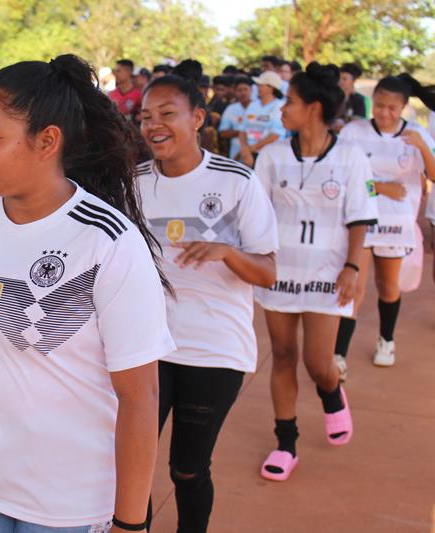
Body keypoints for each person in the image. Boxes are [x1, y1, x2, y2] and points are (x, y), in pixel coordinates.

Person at [0, 54, 176, 533]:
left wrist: (129, 523)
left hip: (70, 500)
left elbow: (139, 395)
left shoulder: (106, 241)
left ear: (47, 141)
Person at [138, 67, 278, 532]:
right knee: (128, 463)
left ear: (197, 117)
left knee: (187, 468)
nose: (153, 125)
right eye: (145, 117)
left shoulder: (237, 182)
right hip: (145, 347)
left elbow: (268, 273)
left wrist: (227, 252)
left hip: (216, 351)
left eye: (166, 114)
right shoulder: (132, 184)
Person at [253, 63, 378, 482]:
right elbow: (254, 216)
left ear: (314, 108)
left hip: (328, 275)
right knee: (283, 355)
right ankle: (286, 443)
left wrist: (353, 267)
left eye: (288, 101)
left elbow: (361, 218)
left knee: (318, 363)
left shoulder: (351, 157)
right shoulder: (270, 156)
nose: (281, 109)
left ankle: (331, 392)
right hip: (279, 274)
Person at [334, 74, 435, 375]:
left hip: (396, 224)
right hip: (360, 222)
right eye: (379, 105)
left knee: (387, 286)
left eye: (392, 107)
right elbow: (339, 178)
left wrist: (423, 148)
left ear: (404, 107)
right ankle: (339, 354)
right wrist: (379, 187)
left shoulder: (415, 133)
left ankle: (386, 340)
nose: (384, 113)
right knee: (354, 285)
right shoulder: (354, 132)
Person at [238, 71, 286, 167]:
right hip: (249, 154)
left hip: (270, 156)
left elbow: (275, 134)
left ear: (271, 87)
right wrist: (245, 149)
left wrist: (251, 149)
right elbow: (242, 129)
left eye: (261, 85)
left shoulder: (279, 106)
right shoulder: (253, 105)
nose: (258, 88)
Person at [219, 77, 253, 160]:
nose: (243, 93)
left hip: (255, 151)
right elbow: (222, 133)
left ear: (251, 90)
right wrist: (242, 132)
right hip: (236, 154)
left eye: (245, 89)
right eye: (239, 90)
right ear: (235, 92)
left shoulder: (259, 107)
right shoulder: (231, 109)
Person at [333, 63, 367, 132]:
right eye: (339, 78)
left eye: (344, 79)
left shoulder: (358, 99)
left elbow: (358, 125)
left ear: (353, 81)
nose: (340, 82)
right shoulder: (332, 96)